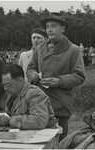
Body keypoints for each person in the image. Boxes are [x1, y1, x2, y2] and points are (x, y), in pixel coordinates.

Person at [27, 12, 85, 140]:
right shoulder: (39, 48)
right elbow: (30, 68)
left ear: (62, 29)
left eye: (53, 26)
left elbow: (79, 75)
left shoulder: (73, 50)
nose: (49, 30)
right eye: (47, 27)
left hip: (59, 103)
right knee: (38, 141)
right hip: (38, 103)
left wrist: (59, 81)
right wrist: (33, 75)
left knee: (58, 141)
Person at [0, 64, 58, 130]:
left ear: (21, 80)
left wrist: (10, 120)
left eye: (8, 85)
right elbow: (13, 114)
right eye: (3, 85)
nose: (5, 88)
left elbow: (39, 120)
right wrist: (0, 116)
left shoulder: (35, 94)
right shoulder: (12, 93)